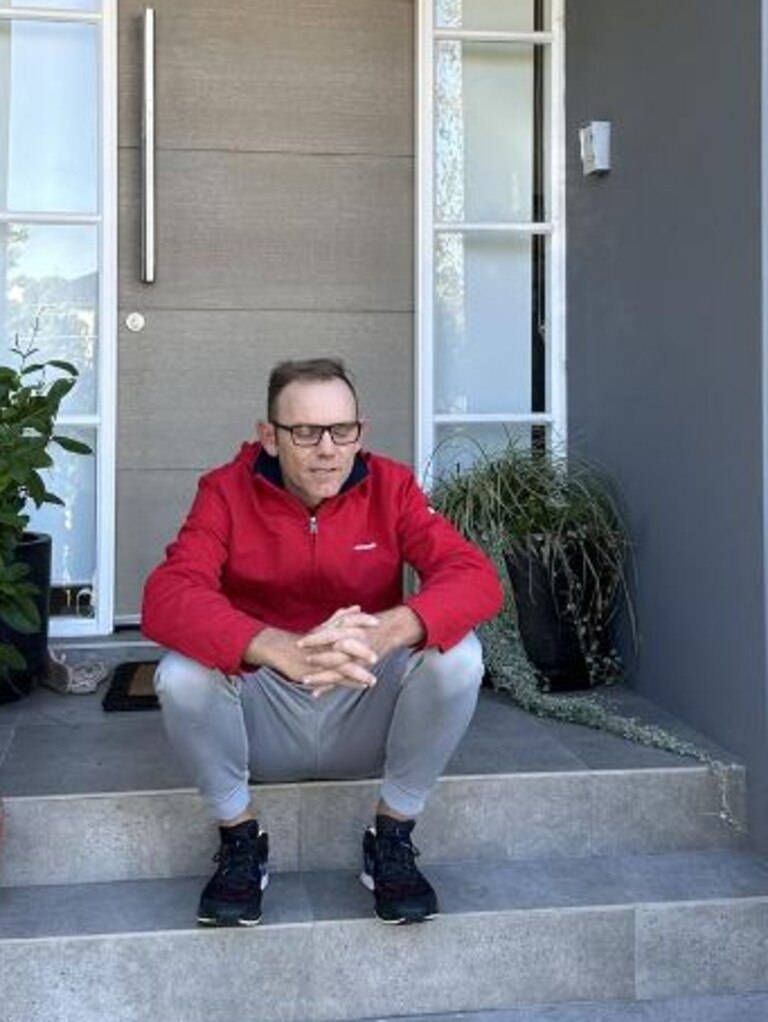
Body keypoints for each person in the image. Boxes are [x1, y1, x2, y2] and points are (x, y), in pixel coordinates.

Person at [142, 357, 503, 928]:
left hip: (362, 701)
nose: (328, 449)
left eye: (343, 430)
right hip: (266, 713)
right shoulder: (225, 491)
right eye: (306, 432)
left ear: (360, 429)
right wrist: (278, 646)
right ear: (269, 435)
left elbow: (475, 578)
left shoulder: (393, 486)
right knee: (181, 672)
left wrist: (386, 632)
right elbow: (166, 595)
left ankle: (392, 836)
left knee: (459, 657)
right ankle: (240, 839)